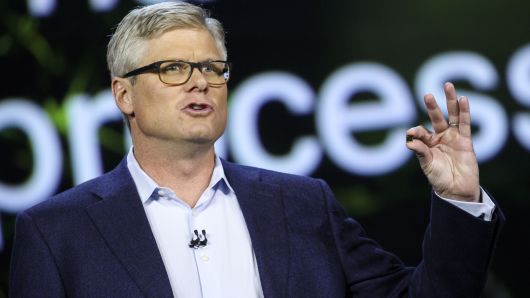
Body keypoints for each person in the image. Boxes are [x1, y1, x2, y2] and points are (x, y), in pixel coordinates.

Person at [9, 2, 503, 297]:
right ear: (124, 95)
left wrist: (459, 199)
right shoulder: (56, 232)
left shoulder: (303, 205)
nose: (200, 83)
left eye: (212, 68)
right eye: (174, 69)